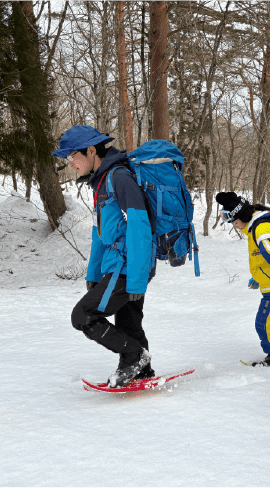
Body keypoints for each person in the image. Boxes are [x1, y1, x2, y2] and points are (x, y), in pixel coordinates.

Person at [53, 125, 155, 388]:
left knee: (83, 315)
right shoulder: (101, 182)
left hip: (128, 267)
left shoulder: (119, 178)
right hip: (120, 265)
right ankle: (141, 371)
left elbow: (140, 227)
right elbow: (100, 233)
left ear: (90, 151)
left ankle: (134, 356)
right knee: (129, 322)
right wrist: (94, 273)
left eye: (72, 156)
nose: (70, 163)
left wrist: (136, 279)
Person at [215, 191, 270, 366]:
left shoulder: (261, 229)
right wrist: (258, 277)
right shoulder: (254, 228)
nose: (236, 226)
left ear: (242, 216)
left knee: (264, 323)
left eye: (235, 222)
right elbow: (263, 258)